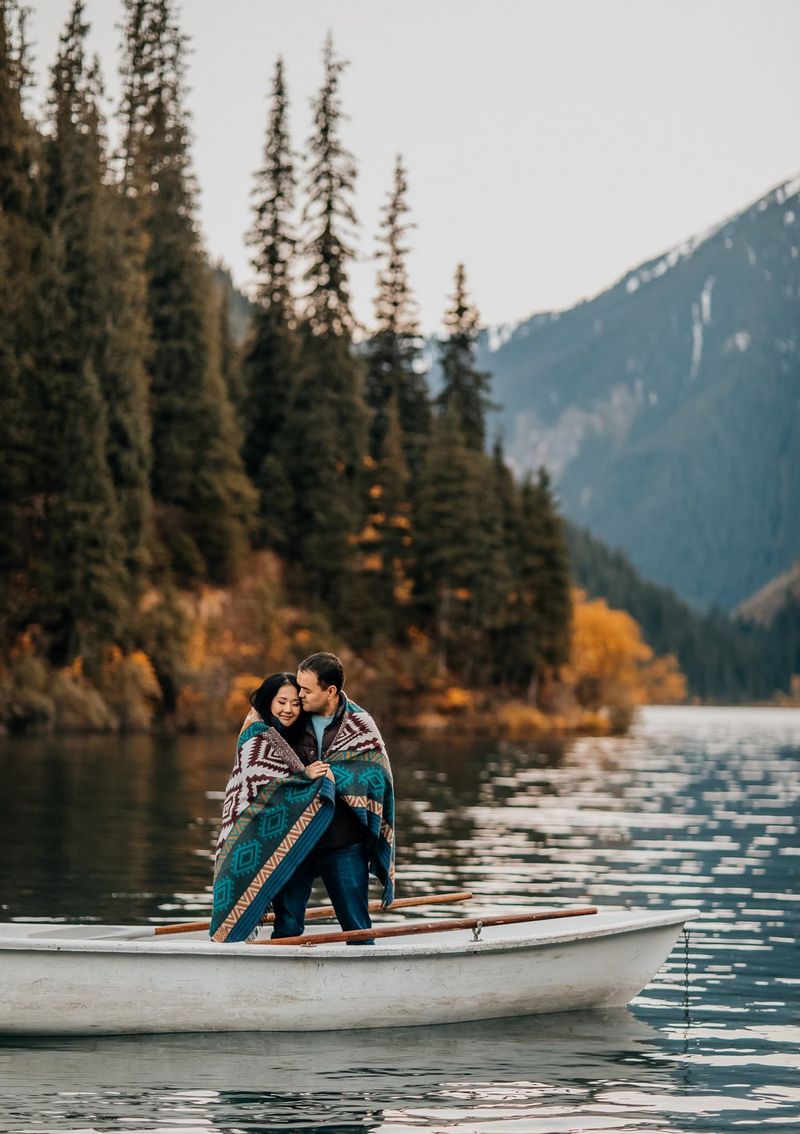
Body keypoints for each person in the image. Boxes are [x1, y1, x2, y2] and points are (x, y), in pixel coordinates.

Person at [269, 651, 395, 943]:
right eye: (298, 687)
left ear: (331, 691)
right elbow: (262, 766)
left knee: (358, 930)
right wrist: (303, 777)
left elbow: (379, 777)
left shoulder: (361, 724)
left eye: (306, 690)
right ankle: (279, 985)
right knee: (286, 928)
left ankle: (365, 983)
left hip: (343, 843)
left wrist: (336, 776)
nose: (299, 695)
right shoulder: (290, 719)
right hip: (293, 840)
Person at [209, 672, 336, 943]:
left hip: (287, 837)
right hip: (250, 833)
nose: (288, 709)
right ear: (268, 702)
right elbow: (257, 782)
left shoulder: (298, 738)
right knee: (244, 904)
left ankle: (283, 955)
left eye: (295, 703)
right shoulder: (258, 735)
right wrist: (303, 777)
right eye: (281, 702)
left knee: (291, 917)